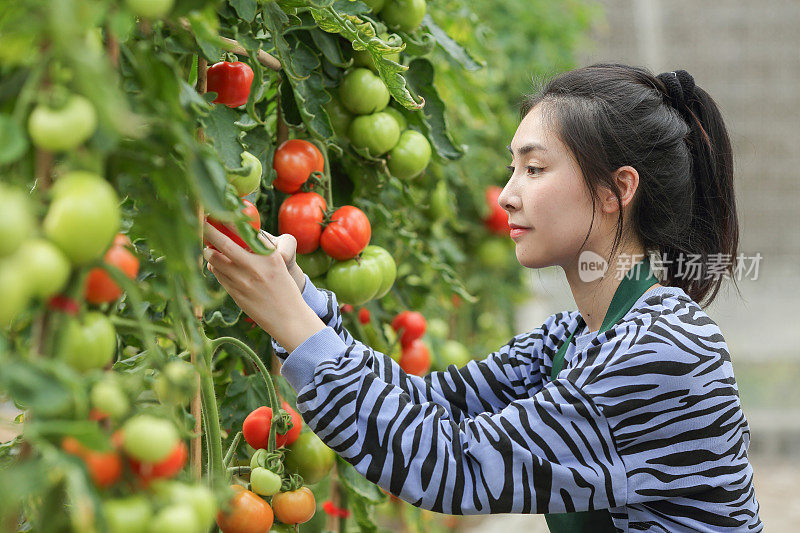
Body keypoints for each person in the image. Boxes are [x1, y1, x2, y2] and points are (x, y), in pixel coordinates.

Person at [202, 63, 763, 532]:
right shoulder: (571, 339)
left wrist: (293, 322)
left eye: (535, 168)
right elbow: (431, 406)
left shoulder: (663, 351)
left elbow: (453, 466)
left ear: (617, 189)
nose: (508, 196)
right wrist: (298, 299)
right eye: (511, 168)